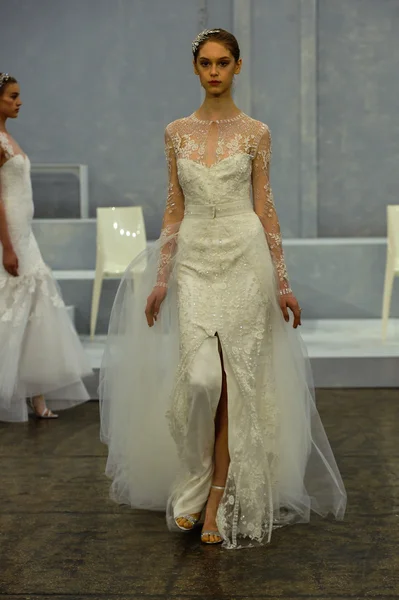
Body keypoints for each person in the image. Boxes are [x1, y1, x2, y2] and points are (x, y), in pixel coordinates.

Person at [99, 29, 347, 549]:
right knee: (200, 380)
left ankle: (215, 494)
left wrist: (283, 282)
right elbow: (174, 206)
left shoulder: (257, 132)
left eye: (224, 63)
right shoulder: (176, 132)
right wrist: (161, 278)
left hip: (244, 257)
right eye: (206, 63)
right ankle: (195, 476)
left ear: (238, 67)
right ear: (195, 68)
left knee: (235, 382)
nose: (215, 71)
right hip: (193, 260)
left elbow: (266, 207)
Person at [0, 73, 92, 421]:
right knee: (12, 309)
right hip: (10, 236)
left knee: (34, 309)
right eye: (13, 96)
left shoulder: (9, 137)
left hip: (24, 233)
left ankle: (36, 397)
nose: (19, 101)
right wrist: (7, 246)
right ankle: (21, 394)